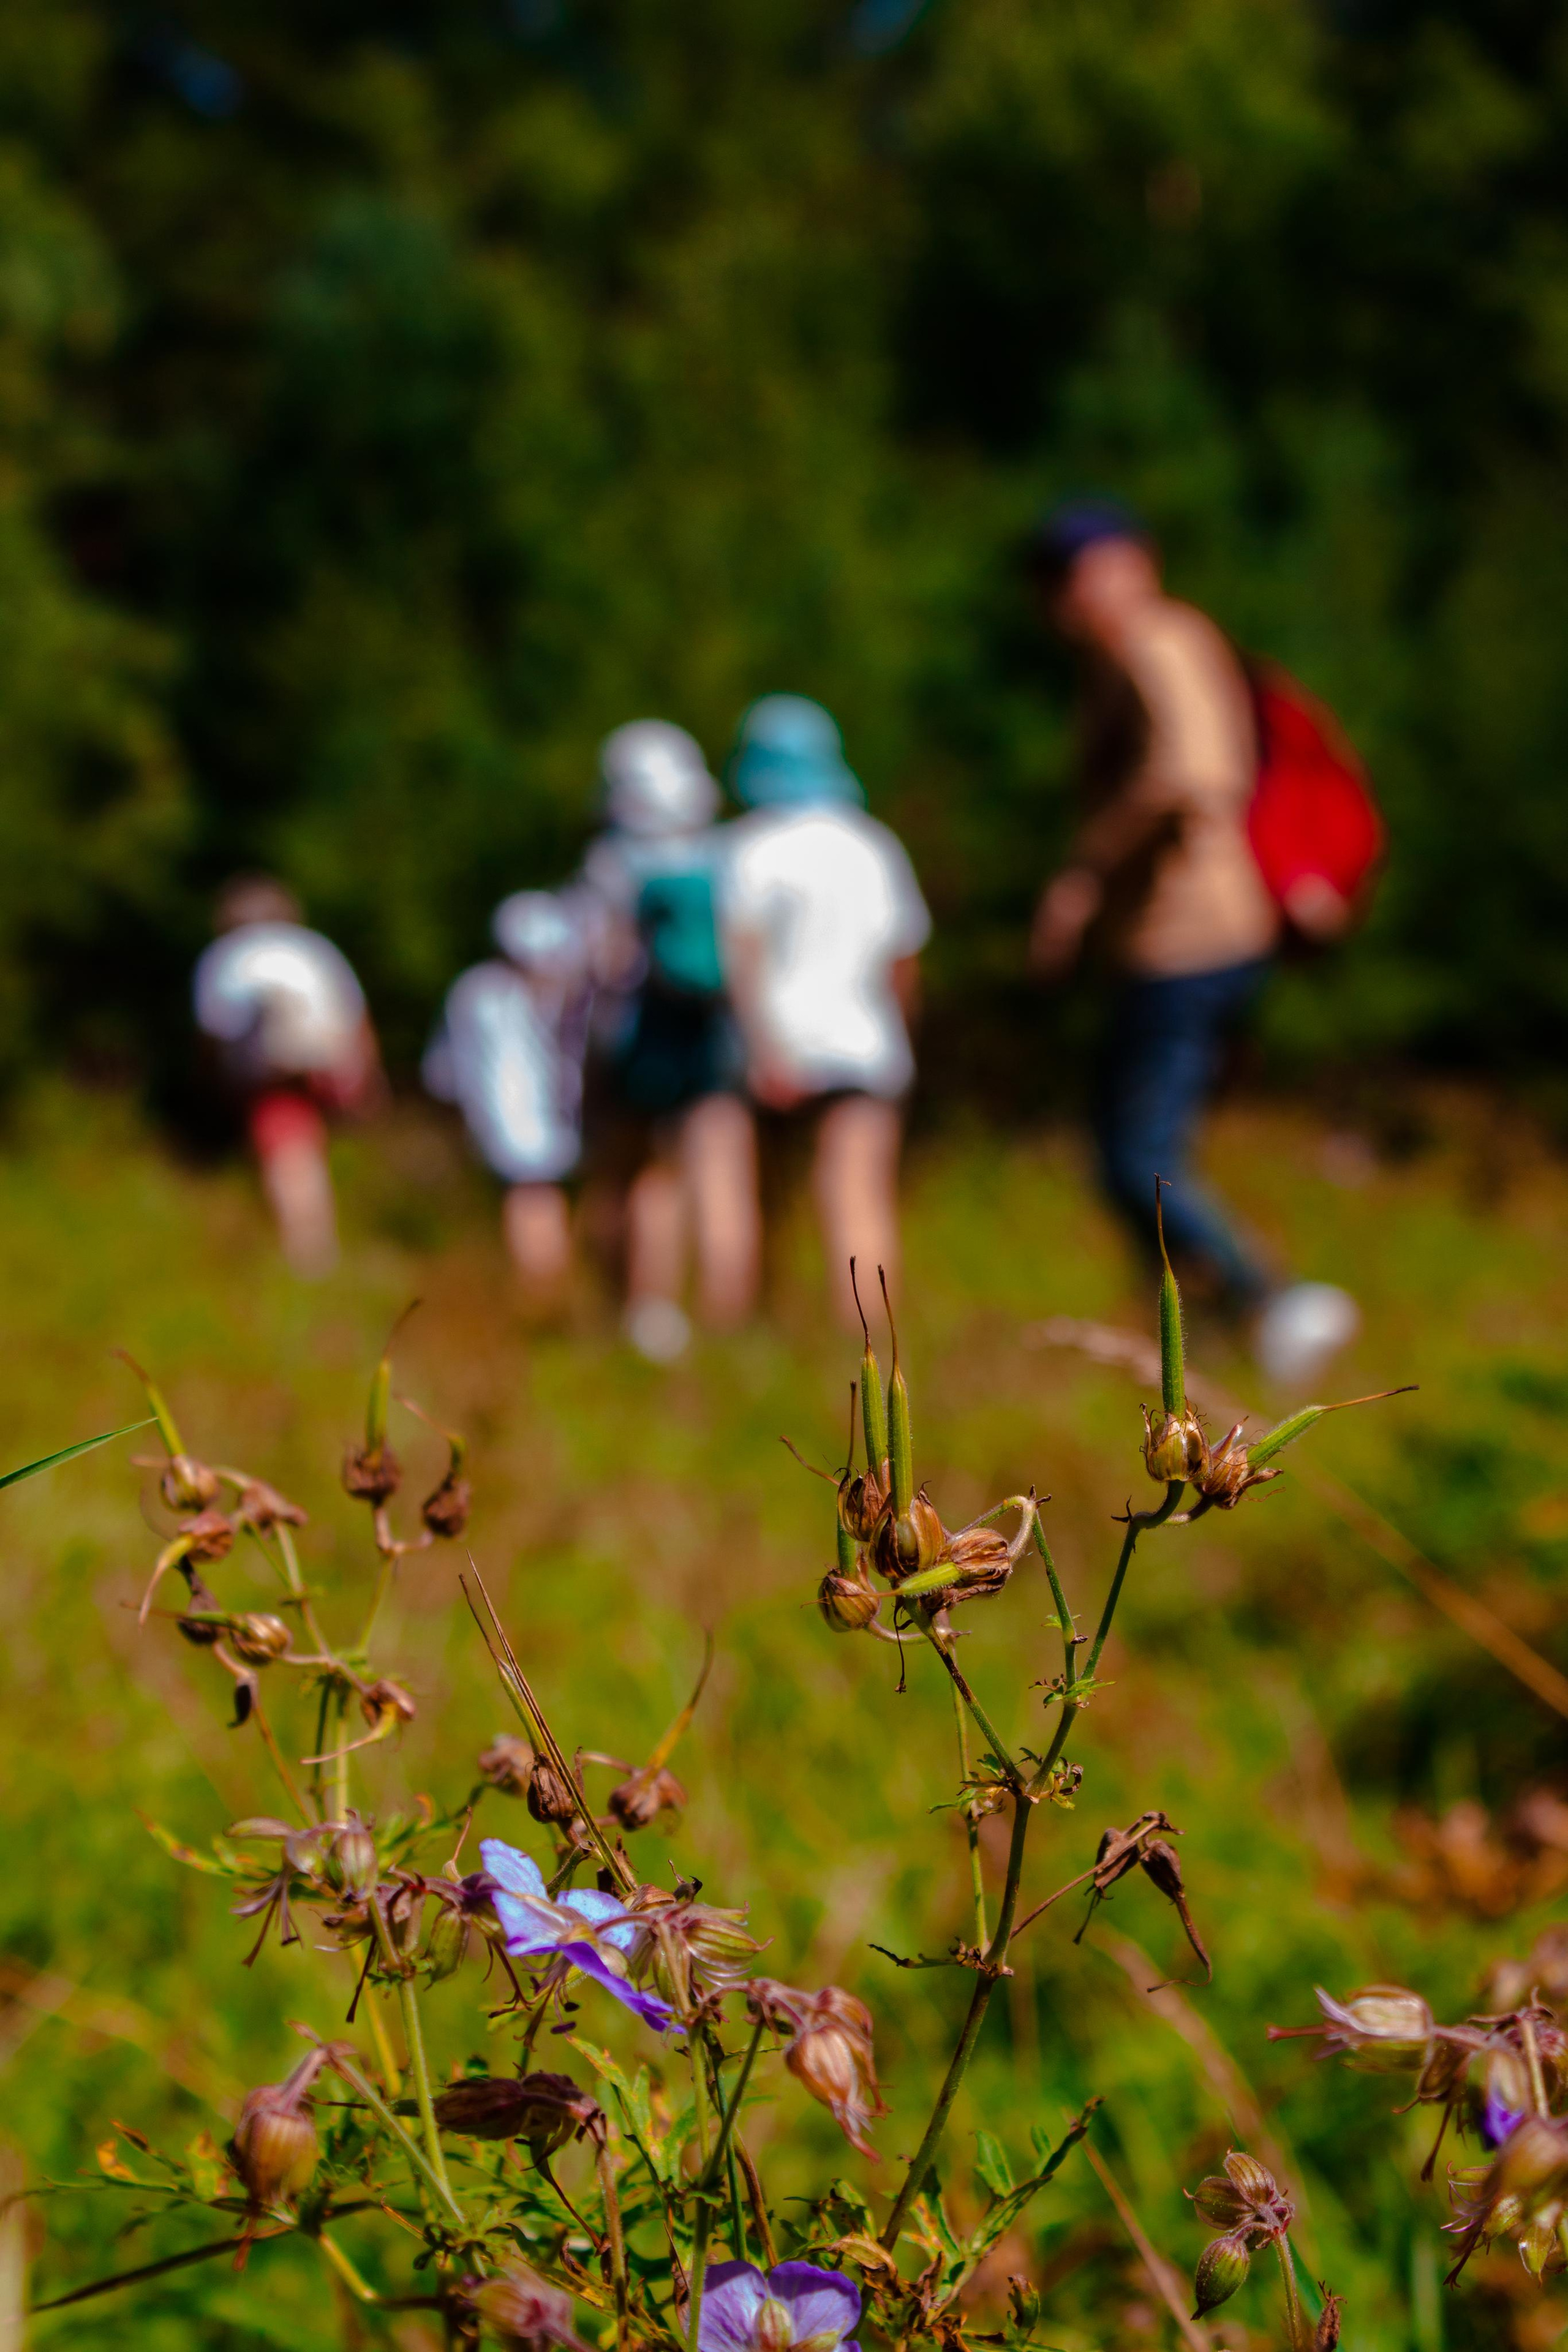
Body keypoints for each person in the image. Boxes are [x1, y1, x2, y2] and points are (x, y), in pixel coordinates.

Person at [1025, 499, 1358, 1386]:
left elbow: (1192, 771)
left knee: (1141, 1155)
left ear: (1139, 563)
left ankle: (1270, 1304)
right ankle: (1194, 1339)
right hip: (1163, 941)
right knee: (1126, 1154)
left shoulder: (1156, 641)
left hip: (1193, 936)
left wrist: (1082, 877)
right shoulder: (1123, 658)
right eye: (1056, 576)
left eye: (1086, 569)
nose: (1068, 595)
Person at [720, 694, 930, 1328]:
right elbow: (903, 958)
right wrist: (902, 1036)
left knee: (757, 1200)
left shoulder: (749, 847)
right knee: (857, 1198)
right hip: (866, 1047)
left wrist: (761, 1049)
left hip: (779, 1050)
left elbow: (742, 959)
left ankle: (748, 1327)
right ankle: (869, 1342)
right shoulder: (873, 844)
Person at [579, 721, 760, 1363]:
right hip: (715, 1038)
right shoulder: (723, 853)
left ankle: (651, 1316)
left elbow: (602, 964)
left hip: (642, 1041)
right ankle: (729, 1321)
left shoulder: (611, 862)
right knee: (723, 1174)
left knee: (651, 1178)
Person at [193, 875, 382, 1277]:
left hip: (271, 1075)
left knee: (289, 1152)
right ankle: (317, 1242)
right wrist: (368, 1073)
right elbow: (354, 1015)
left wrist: (212, 1078)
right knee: (306, 1150)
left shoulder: (226, 957)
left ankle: (308, 1253)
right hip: (327, 1064)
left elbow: (212, 1030)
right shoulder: (314, 949)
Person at [423, 891, 593, 1304]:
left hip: (519, 1122)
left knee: (533, 1200)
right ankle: (545, 1294)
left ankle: (543, 1293)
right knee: (537, 1198)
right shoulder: (549, 994)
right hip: (532, 1120)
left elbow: (444, 1069)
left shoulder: (477, 991)